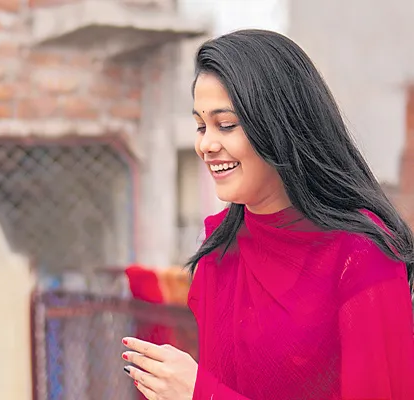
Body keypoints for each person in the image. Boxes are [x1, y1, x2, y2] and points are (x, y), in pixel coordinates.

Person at [121, 29, 414, 399]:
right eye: (200, 126)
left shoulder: (360, 255)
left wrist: (201, 393)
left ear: (278, 125)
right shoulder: (219, 250)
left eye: (226, 125)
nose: (206, 144)